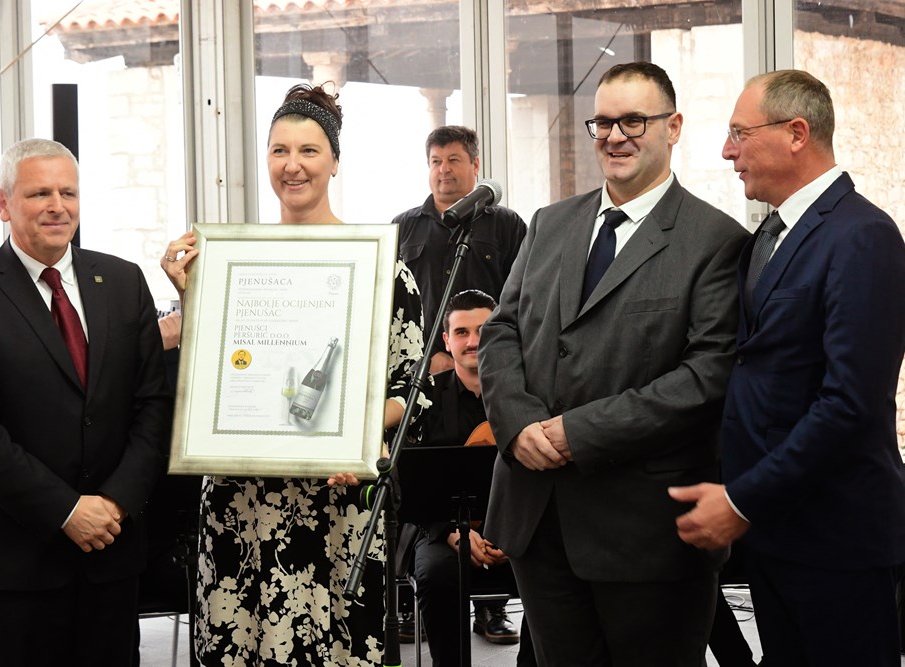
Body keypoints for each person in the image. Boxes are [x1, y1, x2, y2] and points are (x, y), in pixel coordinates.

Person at [476, 61, 749, 666]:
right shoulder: (549, 224)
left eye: (634, 121)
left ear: (673, 127)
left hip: (646, 535)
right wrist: (517, 424)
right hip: (536, 519)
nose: (614, 136)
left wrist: (574, 434)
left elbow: (705, 378)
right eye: (603, 122)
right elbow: (500, 331)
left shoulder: (717, 241)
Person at [160, 83, 427, 666]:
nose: (292, 165)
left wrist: (356, 437)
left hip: (336, 504)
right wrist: (190, 296)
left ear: (334, 162)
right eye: (279, 150)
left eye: (309, 151)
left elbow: (411, 392)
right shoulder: (229, 264)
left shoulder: (383, 269)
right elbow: (207, 376)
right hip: (239, 504)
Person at [670, 69, 905, 667]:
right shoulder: (767, 238)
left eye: (739, 134)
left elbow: (850, 404)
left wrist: (742, 500)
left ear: (796, 133)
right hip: (775, 533)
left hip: (836, 539)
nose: (727, 152)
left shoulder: (863, 235)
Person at [0, 138, 172, 666]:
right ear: (4, 204)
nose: (57, 206)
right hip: (19, 563)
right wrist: (67, 511)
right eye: (40, 193)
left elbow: (154, 407)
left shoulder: (123, 281)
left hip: (113, 552)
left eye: (68, 193)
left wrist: (114, 504)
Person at [413, 289, 536, 666]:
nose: (473, 341)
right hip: (447, 532)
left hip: (521, 530)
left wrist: (514, 531)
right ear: (446, 340)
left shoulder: (530, 393)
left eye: (483, 330)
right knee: (435, 571)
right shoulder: (424, 400)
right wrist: (453, 532)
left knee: (555, 564)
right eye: (462, 332)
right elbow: (416, 483)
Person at [393, 125, 526, 375]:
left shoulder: (507, 225)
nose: (444, 169)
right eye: (436, 161)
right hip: (422, 370)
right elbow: (393, 304)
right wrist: (428, 357)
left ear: (475, 165)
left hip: (489, 368)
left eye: (453, 160)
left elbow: (522, 300)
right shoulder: (403, 226)